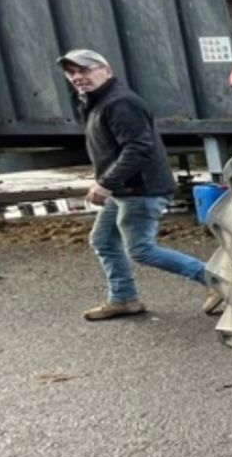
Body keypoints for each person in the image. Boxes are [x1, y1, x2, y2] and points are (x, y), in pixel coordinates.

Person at [57, 48, 221, 322]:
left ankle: (218, 281)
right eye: (72, 72)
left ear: (106, 70)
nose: (78, 77)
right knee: (104, 240)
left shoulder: (120, 103)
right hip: (124, 189)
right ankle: (123, 299)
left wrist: (107, 182)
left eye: (84, 70)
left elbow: (138, 147)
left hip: (140, 190)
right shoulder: (96, 101)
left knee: (141, 249)